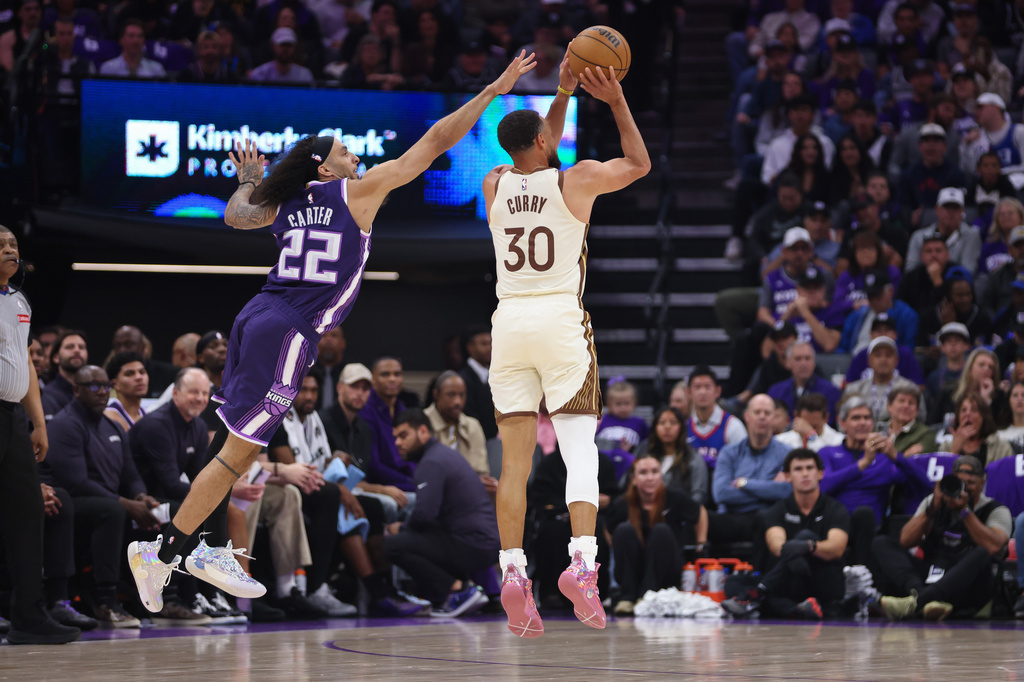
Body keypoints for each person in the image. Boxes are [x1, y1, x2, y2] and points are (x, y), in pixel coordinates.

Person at [125, 51, 539, 615]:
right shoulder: (358, 194)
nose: (357, 155)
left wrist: (250, 180)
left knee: (236, 452)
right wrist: (493, 89)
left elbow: (235, 216)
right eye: (346, 151)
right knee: (234, 455)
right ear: (325, 168)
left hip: (257, 315)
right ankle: (173, 550)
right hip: (289, 329)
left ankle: (179, 548)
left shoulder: (287, 201)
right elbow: (438, 140)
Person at [484, 52, 650, 638]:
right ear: (543, 141)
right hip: (558, 320)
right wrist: (614, 99)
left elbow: (535, 144)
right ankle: (582, 564)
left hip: (507, 325)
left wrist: (558, 94)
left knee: (514, 467)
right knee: (581, 450)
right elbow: (639, 162)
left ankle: (512, 572)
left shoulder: (494, 183)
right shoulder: (574, 178)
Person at [0, 225, 80, 644]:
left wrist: (39, 422)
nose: (10, 251)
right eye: (0, 247)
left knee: (26, 514)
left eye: (13, 245)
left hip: (13, 419)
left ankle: (29, 617)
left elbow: (26, 366)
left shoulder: (18, 300)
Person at [41, 365, 165, 627]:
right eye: (94, 386)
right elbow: (76, 483)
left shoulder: (112, 426)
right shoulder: (65, 425)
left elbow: (130, 474)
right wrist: (125, 503)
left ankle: (158, 595)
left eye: (106, 386)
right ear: (76, 389)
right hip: (68, 503)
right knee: (113, 511)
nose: (102, 392)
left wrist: (141, 496)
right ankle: (106, 598)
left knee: (161, 510)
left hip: (104, 499)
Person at [384, 409, 498, 617]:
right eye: (395, 438)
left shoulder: (431, 462)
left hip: (473, 543)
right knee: (421, 539)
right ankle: (458, 590)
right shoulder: (442, 455)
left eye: (403, 435)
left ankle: (459, 591)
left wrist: (399, 527)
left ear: (423, 432)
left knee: (393, 545)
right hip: (480, 541)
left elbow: (424, 514)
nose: (398, 443)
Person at [875, 455, 1011, 621]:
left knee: (982, 554)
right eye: (959, 483)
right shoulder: (934, 502)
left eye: (970, 483)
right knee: (882, 543)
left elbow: (994, 547)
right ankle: (923, 596)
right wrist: (932, 509)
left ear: (982, 484)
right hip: (932, 573)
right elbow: (906, 541)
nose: (964, 488)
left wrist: (965, 511)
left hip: (967, 585)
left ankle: (917, 604)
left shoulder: (995, 509)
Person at [722, 448, 849, 619]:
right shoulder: (778, 510)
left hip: (823, 579)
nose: (805, 474)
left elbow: (836, 548)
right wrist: (797, 552)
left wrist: (808, 546)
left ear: (820, 474)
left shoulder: (835, 509)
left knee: (805, 536)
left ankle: (760, 594)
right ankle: (797, 609)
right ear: (787, 476)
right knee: (732, 582)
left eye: (809, 468)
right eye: (798, 469)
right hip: (790, 579)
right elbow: (776, 546)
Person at [818, 397, 930, 564]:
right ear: (842, 422)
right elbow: (822, 486)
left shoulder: (884, 460)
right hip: (834, 527)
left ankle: (863, 574)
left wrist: (897, 456)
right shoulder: (828, 453)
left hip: (872, 528)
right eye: (856, 418)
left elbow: (927, 486)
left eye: (867, 418)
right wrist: (863, 464)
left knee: (864, 514)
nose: (862, 422)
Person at [607, 455, 708, 616]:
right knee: (624, 530)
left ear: (661, 475)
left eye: (655, 472)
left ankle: (647, 595)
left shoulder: (675, 497)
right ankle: (627, 598)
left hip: (666, 567)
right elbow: (608, 527)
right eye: (643, 473)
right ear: (633, 479)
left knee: (661, 530)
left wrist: (701, 543)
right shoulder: (623, 503)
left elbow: (700, 511)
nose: (650, 478)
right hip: (635, 569)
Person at [319, 362, 409, 522]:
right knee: (387, 505)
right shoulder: (322, 422)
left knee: (413, 502)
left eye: (365, 389)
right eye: (354, 386)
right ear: (339, 388)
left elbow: (360, 473)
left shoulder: (363, 427)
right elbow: (330, 476)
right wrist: (381, 490)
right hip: (329, 492)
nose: (360, 393)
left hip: (358, 489)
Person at [710, 394, 792, 546]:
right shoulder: (729, 452)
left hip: (765, 518)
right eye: (757, 412)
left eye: (767, 413)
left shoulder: (787, 453)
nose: (762, 417)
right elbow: (721, 494)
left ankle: (759, 571)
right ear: (747, 416)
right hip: (730, 516)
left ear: (774, 418)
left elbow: (786, 491)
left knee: (765, 518)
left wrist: (744, 483)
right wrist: (768, 490)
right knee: (702, 518)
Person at [423, 370, 496, 492]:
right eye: (451, 395)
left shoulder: (472, 425)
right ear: (436, 394)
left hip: (468, 490)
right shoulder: (422, 422)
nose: (458, 401)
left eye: (462, 395)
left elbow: (481, 470)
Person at [636, 407, 708, 505]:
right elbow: (630, 483)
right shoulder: (644, 451)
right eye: (662, 423)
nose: (667, 427)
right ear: (655, 427)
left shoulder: (692, 457)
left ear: (681, 427)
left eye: (673, 422)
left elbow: (698, 494)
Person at [842, 337, 925, 422]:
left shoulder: (910, 388)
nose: (883, 359)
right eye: (878, 355)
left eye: (888, 355)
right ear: (869, 360)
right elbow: (843, 420)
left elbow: (920, 419)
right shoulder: (854, 389)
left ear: (896, 360)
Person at [905, 188, 982, 276]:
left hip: (957, 285)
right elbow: (910, 271)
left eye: (955, 208)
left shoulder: (971, 235)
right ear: (937, 209)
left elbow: (968, 270)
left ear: (962, 211)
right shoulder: (919, 237)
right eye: (947, 207)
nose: (951, 212)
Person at [686, 365, 747, 471]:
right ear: (689, 393)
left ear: (718, 391)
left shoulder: (733, 426)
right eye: (697, 387)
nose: (702, 392)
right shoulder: (684, 428)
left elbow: (744, 464)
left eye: (707, 387)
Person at [767, 341, 841, 421]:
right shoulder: (775, 392)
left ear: (814, 362)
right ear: (788, 362)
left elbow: (829, 423)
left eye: (807, 358)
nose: (803, 363)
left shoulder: (830, 391)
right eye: (798, 359)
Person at [937, 393, 1014, 465]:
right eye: (964, 410)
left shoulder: (1000, 447)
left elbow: (1007, 475)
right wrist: (954, 451)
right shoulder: (946, 447)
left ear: (984, 417)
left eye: (974, 409)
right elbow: (940, 478)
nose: (967, 414)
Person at [458, 326, 497, 439]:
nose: (490, 348)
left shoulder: (498, 376)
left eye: (491, 343)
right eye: (484, 344)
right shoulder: (462, 379)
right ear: (470, 348)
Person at [41, 329, 87, 420]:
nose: (77, 350)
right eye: (70, 347)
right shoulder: (48, 396)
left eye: (81, 347)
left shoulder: (92, 393)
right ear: (56, 357)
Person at [776, 393, 844, 452]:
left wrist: (812, 436)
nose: (807, 429)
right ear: (796, 416)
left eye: (814, 426)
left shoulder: (839, 441)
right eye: (805, 425)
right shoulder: (781, 441)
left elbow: (823, 459)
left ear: (826, 418)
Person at [99, 20, 167, 77]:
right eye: (131, 36)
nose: (136, 40)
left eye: (140, 36)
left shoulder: (156, 69)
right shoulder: (109, 68)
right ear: (121, 40)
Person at [884, 386, 937, 456]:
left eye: (911, 403)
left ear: (917, 410)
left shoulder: (926, 435)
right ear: (889, 406)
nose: (906, 406)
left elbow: (917, 463)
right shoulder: (877, 428)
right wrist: (905, 456)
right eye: (901, 401)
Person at [104, 351, 148, 431]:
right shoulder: (110, 417)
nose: (139, 377)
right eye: (130, 374)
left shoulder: (146, 414)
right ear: (115, 384)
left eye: (142, 372)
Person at [314, 326, 345, 410]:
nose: (328, 340)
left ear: (343, 343)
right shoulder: (305, 371)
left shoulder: (350, 372)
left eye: (334, 335)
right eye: (323, 335)